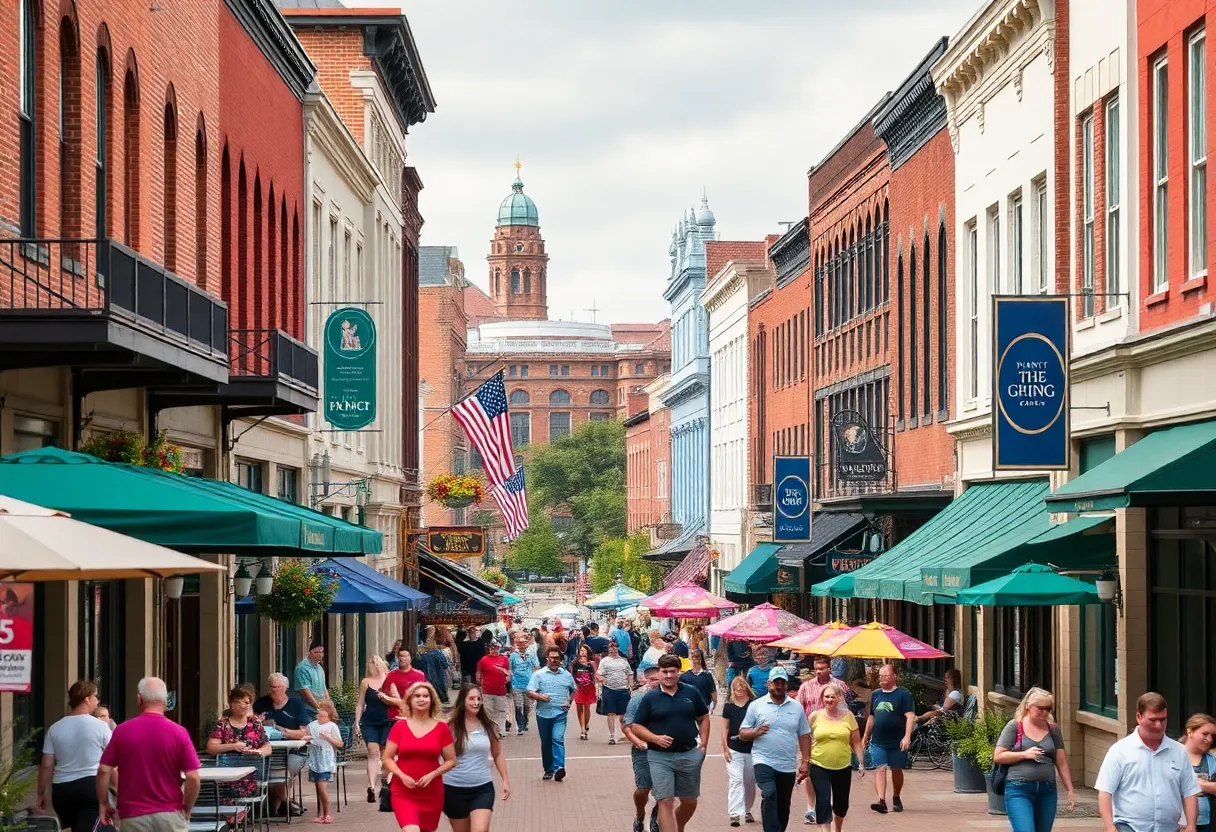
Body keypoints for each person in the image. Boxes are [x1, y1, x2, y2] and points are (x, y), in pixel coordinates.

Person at [97, 677, 201, 832]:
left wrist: (103, 802)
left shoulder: (122, 731)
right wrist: (187, 806)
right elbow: (193, 777)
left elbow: (104, 770)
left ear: (139, 699)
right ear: (166, 701)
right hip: (170, 814)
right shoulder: (179, 733)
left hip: (132, 816)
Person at [629, 654, 711, 832]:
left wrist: (703, 746)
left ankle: (677, 825)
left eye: (672, 672)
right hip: (659, 757)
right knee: (665, 800)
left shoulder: (690, 692)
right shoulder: (650, 698)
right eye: (664, 671)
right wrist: (654, 738)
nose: (668, 676)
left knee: (689, 801)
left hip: (689, 754)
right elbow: (636, 726)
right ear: (659, 673)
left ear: (678, 673)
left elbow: (703, 717)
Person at [1097, 692, 1199, 832]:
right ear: (1139, 717)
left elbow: (1190, 791)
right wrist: (1109, 827)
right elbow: (1105, 792)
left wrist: (1191, 825)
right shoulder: (1120, 751)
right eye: (1153, 720)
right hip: (1129, 827)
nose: (1158, 725)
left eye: (1163, 720)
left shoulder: (1179, 751)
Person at [738, 666, 810, 832]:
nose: (778, 686)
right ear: (768, 683)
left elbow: (805, 735)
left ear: (786, 684)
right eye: (775, 682)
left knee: (783, 803)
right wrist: (755, 732)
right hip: (763, 760)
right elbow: (742, 733)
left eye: (782, 682)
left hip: (787, 764)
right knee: (769, 793)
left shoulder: (796, 707)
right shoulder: (756, 705)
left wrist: (805, 761)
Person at [993, 687, 1075, 832]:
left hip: (1047, 789)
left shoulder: (1052, 729)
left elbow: (1061, 761)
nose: (1044, 712)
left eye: (1048, 709)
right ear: (1028, 706)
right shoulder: (1015, 726)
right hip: (1018, 788)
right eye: (1040, 708)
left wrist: (1070, 789)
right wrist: (1024, 754)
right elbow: (998, 756)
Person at [36, 680, 111, 832]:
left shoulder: (54, 728)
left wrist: (40, 793)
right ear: (87, 699)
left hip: (62, 790)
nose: (97, 700)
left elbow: (46, 764)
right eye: (95, 696)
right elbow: (111, 759)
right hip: (90, 786)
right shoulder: (101, 727)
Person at [382, 682, 457, 832]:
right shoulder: (400, 727)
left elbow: (451, 760)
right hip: (403, 791)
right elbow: (387, 758)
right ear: (410, 699)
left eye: (425, 696)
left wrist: (433, 774)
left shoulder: (441, 728)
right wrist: (401, 775)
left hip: (432, 791)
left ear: (432, 700)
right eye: (417, 696)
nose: (421, 699)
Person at [795, 655, 854, 824]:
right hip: (812, 735)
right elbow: (799, 709)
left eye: (822, 668)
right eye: (816, 669)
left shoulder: (840, 686)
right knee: (810, 771)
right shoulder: (806, 687)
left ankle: (830, 807)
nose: (819, 672)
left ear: (830, 668)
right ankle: (811, 808)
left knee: (833, 779)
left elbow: (849, 707)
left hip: (835, 735)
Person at [445, 685, 511, 832]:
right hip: (453, 789)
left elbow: (497, 753)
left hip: (482, 788)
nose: (476, 702)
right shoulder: (449, 727)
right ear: (463, 701)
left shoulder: (488, 726)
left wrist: (505, 780)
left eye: (479, 699)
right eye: (471, 699)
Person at [806, 682, 864, 832]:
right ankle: (825, 829)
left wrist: (861, 762)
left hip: (842, 766)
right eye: (826, 697)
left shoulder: (848, 716)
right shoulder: (814, 717)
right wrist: (804, 760)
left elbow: (856, 741)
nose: (829, 700)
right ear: (822, 698)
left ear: (839, 698)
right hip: (818, 764)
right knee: (823, 800)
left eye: (832, 696)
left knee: (841, 805)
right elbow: (805, 740)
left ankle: (837, 828)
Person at [861, 664, 915, 814]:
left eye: (886, 676)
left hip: (897, 741)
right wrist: (866, 735)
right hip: (879, 740)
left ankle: (896, 796)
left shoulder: (903, 694)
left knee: (896, 769)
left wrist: (907, 736)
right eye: (881, 676)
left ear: (894, 677)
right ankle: (881, 800)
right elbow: (872, 716)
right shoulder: (876, 694)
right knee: (880, 768)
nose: (882, 679)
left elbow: (910, 716)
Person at [254, 672, 309, 816]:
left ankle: (278, 805)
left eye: (276, 687)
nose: (272, 690)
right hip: (268, 749)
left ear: (284, 687)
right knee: (266, 771)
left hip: (294, 750)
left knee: (284, 772)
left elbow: (303, 732)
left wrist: (282, 731)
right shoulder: (261, 703)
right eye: (270, 686)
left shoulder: (295, 703)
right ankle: (286, 803)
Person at [206, 686, 272, 799]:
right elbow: (211, 748)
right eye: (238, 702)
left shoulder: (256, 724)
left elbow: (267, 747)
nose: (243, 705)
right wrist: (232, 746)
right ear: (231, 704)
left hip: (252, 776)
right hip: (227, 779)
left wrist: (258, 752)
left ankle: (241, 813)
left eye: (246, 702)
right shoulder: (222, 725)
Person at [527, 647, 577, 781]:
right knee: (546, 742)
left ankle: (559, 768)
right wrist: (539, 697)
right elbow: (530, 691)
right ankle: (548, 769)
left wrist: (569, 701)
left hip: (560, 713)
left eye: (557, 658)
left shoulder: (566, 675)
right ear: (547, 659)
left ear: (560, 659)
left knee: (557, 739)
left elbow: (574, 690)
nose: (555, 660)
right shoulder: (538, 674)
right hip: (543, 714)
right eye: (552, 658)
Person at [624, 666, 663, 832]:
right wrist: (638, 742)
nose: (656, 683)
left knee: (664, 790)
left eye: (658, 679)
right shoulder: (638, 698)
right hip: (643, 750)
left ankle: (656, 820)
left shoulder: (667, 697)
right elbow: (627, 726)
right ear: (645, 680)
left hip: (664, 750)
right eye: (653, 680)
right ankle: (640, 814)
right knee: (643, 788)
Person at [355, 656, 392, 804]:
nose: (374, 667)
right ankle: (371, 786)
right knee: (373, 752)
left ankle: (385, 780)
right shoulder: (365, 682)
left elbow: (397, 699)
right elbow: (360, 704)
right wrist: (356, 722)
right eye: (371, 665)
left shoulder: (390, 679)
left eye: (376, 664)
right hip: (369, 721)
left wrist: (387, 698)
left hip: (387, 721)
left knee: (384, 753)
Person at [722, 676, 758, 827]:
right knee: (736, 780)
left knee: (749, 781)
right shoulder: (728, 706)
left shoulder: (754, 705)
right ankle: (734, 814)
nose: (739, 691)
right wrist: (725, 748)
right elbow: (725, 728)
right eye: (736, 688)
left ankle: (747, 810)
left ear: (746, 688)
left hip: (751, 749)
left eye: (742, 687)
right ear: (733, 690)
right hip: (734, 748)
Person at [306, 699, 344, 824]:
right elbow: (305, 736)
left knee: (322, 787)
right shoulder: (312, 725)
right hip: (314, 760)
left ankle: (327, 814)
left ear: (329, 716)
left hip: (326, 761)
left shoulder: (332, 726)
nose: (319, 717)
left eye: (322, 715)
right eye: (318, 714)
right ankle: (320, 814)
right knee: (317, 787)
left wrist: (329, 738)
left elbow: (340, 744)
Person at [597, 638, 634, 745]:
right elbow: (598, 674)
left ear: (618, 649)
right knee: (611, 713)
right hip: (609, 689)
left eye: (615, 648)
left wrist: (630, 685)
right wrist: (603, 679)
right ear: (608, 649)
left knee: (624, 714)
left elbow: (630, 673)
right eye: (611, 648)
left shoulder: (623, 661)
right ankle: (612, 735)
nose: (613, 650)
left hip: (623, 689)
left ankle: (626, 734)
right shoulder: (604, 661)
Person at [1182, 714, 1216, 832]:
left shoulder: (1212, 760)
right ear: (1190, 732)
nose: (1210, 739)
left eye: (1212, 736)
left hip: (1206, 822)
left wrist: (1201, 785)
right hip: (1178, 822)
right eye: (1205, 734)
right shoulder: (1174, 755)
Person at [475, 642, 512, 739]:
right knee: (488, 712)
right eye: (493, 648)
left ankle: (501, 731)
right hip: (487, 690)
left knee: (501, 711)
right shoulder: (484, 660)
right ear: (489, 649)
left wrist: (508, 677)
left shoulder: (504, 659)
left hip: (501, 690)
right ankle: (490, 731)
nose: (495, 650)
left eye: (496, 648)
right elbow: (479, 672)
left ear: (499, 648)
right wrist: (479, 683)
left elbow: (508, 671)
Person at [384, 647, 427, 721]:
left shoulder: (420, 675)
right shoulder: (390, 675)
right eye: (401, 656)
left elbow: (425, 695)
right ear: (397, 657)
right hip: (394, 717)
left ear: (411, 658)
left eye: (406, 656)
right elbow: (385, 697)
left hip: (414, 716)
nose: (403, 659)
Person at [508, 633, 539, 736]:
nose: (521, 645)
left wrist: (536, 681)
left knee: (527, 706)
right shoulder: (513, 656)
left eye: (523, 643)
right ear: (516, 644)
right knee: (518, 705)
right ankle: (520, 726)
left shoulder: (532, 654)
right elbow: (510, 669)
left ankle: (525, 721)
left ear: (527, 643)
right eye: (519, 643)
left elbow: (536, 667)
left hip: (529, 685)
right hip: (516, 685)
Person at [294, 641, 328, 720]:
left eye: (321, 652)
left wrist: (328, 705)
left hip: (320, 710)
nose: (320, 654)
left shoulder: (320, 668)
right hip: (307, 710)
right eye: (316, 652)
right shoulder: (302, 668)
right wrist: (319, 708)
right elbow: (305, 692)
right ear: (309, 653)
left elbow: (324, 688)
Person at [571, 644, 598, 741]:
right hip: (578, 687)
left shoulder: (591, 663)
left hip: (589, 688)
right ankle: (582, 730)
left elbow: (595, 675)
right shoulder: (574, 663)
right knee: (579, 707)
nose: (582, 652)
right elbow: (571, 675)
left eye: (584, 650)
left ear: (587, 652)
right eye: (581, 650)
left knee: (587, 707)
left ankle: (585, 724)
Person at [680, 648, 717, 714]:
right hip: (689, 709)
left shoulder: (707, 676)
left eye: (696, 657)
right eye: (693, 657)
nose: (695, 659)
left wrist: (712, 706)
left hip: (704, 708)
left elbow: (713, 693)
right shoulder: (684, 677)